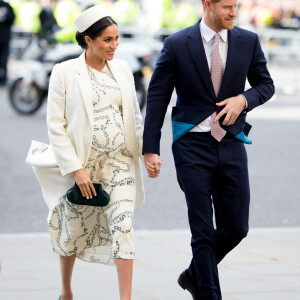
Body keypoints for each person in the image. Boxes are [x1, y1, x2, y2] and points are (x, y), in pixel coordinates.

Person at [143, 0, 274, 299]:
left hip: (230, 142)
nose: (234, 12)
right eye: (227, 6)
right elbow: (158, 96)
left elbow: (266, 85)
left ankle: (193, 275)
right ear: (208, 5)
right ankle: (209, 294)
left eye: (237, 6)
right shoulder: (176, 44)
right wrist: (150, 149)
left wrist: (243, 99)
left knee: (236, 228)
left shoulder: (248, 41)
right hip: (191, 144)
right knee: (202, 231)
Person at [26, 5, 144, 300]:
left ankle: (125, 298)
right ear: (88, 39)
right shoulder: (64, 72)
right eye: (107, 39)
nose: (114, 46)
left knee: (123, 226)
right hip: (83, 165)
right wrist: (76, 170)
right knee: (74, 228)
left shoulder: (123, 68)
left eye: (116, 39)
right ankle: (66, 290)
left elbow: (134, 117)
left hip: (121, 163)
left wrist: (147, 153)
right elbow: (55, 124)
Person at [0, 0, 15, 86]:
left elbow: (12, 18)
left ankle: (4, 79)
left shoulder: (7, 6)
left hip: (4, 39)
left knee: (4, 60)